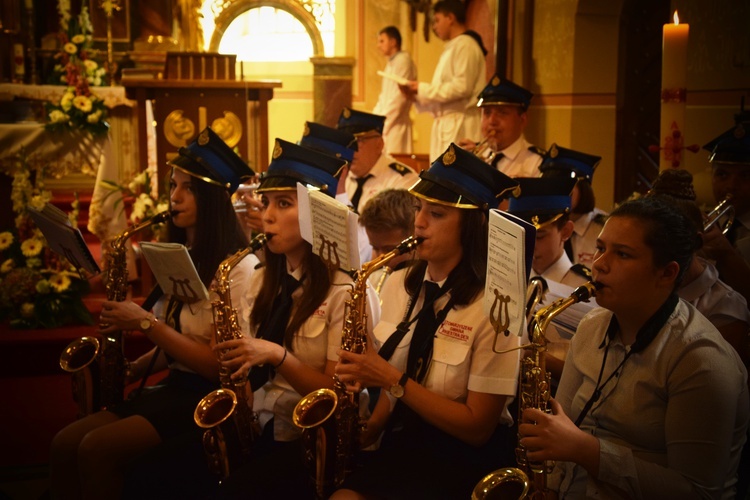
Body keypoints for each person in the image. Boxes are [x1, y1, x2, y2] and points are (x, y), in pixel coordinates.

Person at [49, 127, 258, 500]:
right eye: (173, 186)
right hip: (174, 384)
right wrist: (135, 367)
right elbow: (179, 337)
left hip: (206, 395)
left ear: (211, 198)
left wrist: (144, 322)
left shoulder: (238, 269)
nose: (173, 197)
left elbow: (214, 365)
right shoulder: (179, 252)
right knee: (64, 443)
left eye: (187, 188)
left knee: (95, 449)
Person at [519, 196, 749, 499]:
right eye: (600, 249)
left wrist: (586, 450)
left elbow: (697, 492)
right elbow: (564, 428)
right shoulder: (592, 327)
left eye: (623, 255)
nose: (599, 265)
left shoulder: (701, 360)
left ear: (666, 273)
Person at [331, 144, 522, 500]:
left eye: (436, 214)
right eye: (419, 208)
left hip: (462, 461)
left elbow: (478, 427)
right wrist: (372, 426)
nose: (418, 221)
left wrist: (389, 378)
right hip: (403, 442)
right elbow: (404, 369)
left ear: (471, 227)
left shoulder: (498, 306)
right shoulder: (400, 283)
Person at [213, 138, 380, 498]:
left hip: (314, 440)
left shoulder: (346, 292)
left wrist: (277, 356)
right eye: (267, 202)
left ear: (315, 215)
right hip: (262, 424)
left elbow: (336, 397)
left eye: (284, 204)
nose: (267, 215)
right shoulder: (261, 279)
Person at [508, 176, 590, 380]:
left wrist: (529, 356)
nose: (529, 245)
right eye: (520, 235)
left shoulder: (584, 290)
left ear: (566, 231)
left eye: (540, 236)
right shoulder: (507, 278)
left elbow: (589, 372)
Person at [399, 0, 487, 161]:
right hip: (447, 124)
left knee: (454, 180)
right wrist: (415, 96)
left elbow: (462, 87)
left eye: (437, 20)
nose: (434, 26)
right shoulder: (453, 47)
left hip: (460, 125)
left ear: (450, 18)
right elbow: (444, 93)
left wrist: (422, 88)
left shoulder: (466, 45)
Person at [701, 108, 750, 305]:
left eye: (745, 176)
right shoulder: (712, 221)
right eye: (722, 175)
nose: (730, 185)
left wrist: (726, 253)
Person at [459, 74, 544, 178]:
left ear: (522, 120)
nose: (492, 121)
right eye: (487, 113)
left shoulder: (538, 163)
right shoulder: (474, 157)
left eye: (502, 113)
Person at [336, 107, 418, 214]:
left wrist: (341, 193)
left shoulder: (401, 180)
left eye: (358, 142)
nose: (350, 150)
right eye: (346, 143)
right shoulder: (343, 177)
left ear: (379, 144)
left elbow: (386, 228)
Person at [540, 143, 607, 267]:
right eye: (551, 187)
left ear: (583, 188)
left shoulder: (604, 229)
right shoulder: (542, 225)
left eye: (565, 187)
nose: (557, 194)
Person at [358, 188, 417, 294]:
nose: (381, 260)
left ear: (414, 236)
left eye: (389, 249)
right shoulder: (372, 280)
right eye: (375, 248)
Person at [373, 26, 417, 154]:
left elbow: (399, 98)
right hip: (387, 122)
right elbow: (384, 96)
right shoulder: (390, 63)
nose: (378, 45)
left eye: (382, 41)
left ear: (393, 42)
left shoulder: (403, 61)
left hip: (396, 125)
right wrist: (373, 121)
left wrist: (383, 125)